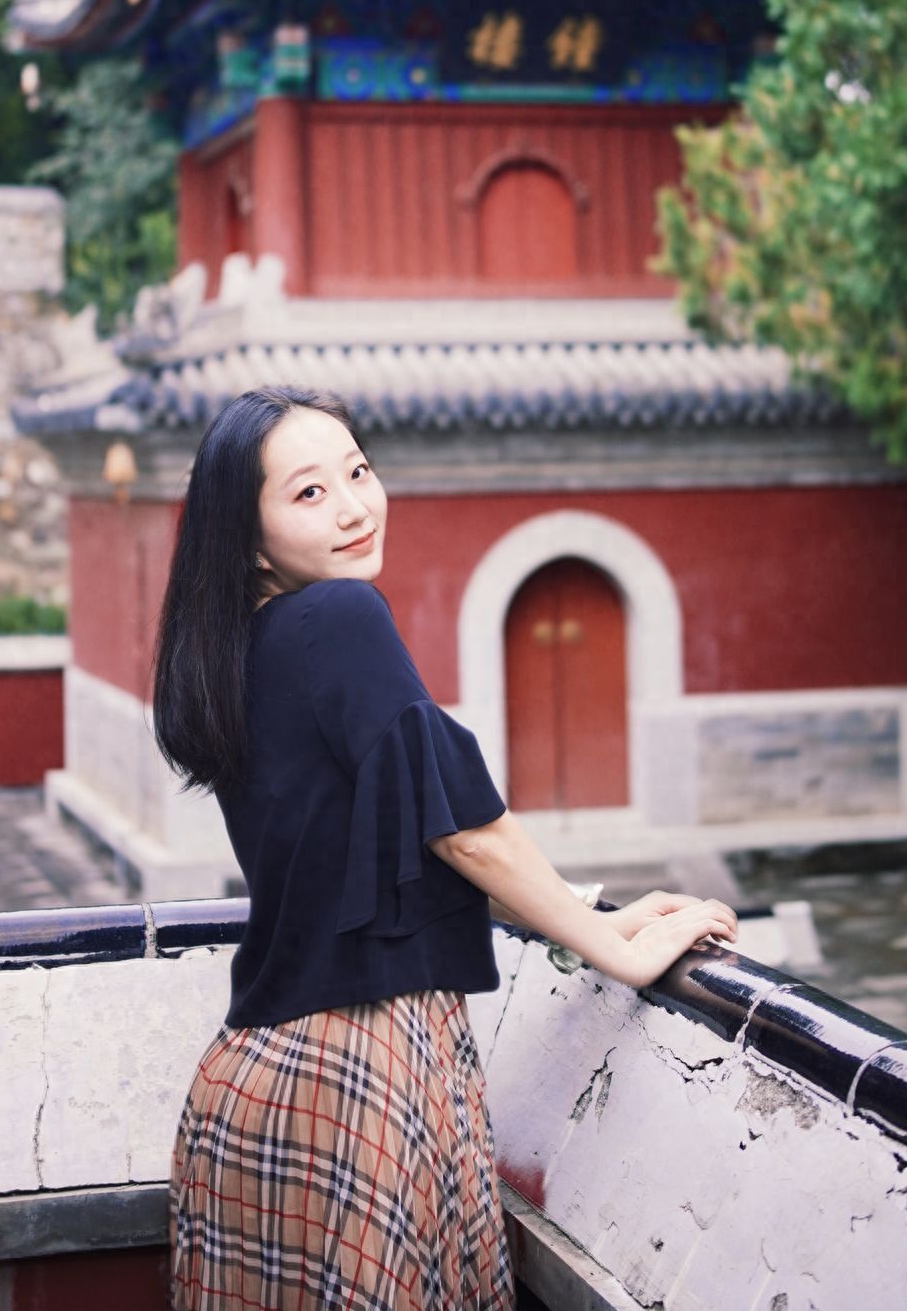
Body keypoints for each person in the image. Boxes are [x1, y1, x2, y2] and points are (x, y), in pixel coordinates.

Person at [153, 384, 738, 1310]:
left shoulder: (239, 653)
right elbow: (466, 832)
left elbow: (409, 845)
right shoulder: (339, 619)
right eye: (309, 493)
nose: (353, 506)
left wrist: (593, 910)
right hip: (364, 1076)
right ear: (247, 534)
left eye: (359, 471)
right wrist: (617, 951)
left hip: (255, 1087)